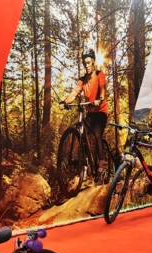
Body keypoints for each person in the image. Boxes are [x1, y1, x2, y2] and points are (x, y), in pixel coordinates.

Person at [63, 49, 108, 185]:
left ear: (93, 62)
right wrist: (65, 102)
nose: (86, 65)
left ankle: (101, 167)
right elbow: (74, 93)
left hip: (101, 112)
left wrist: (100, 99)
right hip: (91, 113)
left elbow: (103, 89)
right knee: (82, 133)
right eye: (84, 63)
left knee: (97, 134)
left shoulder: (99, 74)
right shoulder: (82, 80)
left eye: (88, 62)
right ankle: (85, 164)